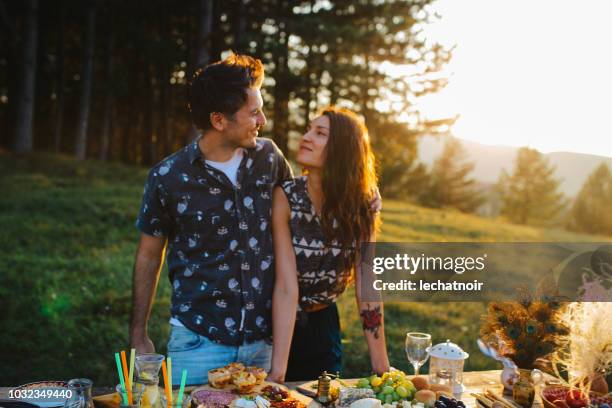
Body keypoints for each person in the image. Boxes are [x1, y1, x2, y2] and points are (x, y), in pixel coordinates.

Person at [129, 53, 293, 385]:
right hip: (197, 344)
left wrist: (361, 198)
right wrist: (138, 333)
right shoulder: (167, 177)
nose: (262, 120)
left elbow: (301, 208)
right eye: (254, 112)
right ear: (219, 120)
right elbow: (148, 254)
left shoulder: (269, 159)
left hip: (263, 345)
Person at [267, 107, 390, 383]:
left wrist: (382, 367)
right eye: (309, 129)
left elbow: (366, 283)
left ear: (342, 149)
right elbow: (287, 287)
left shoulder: (363, 205)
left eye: (320, 133)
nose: (306, 137)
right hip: (278, 325)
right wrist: (278, 372)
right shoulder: (285, 196)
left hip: (324, 327)